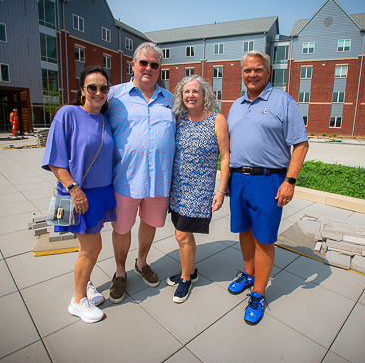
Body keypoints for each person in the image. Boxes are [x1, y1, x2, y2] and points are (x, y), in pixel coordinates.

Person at [227, 50, 309, 325]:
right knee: (245, 231)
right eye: (247, 70)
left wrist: (290, 181)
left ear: (268, 72)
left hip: (269, 180)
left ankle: (259, 293)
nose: (252, 74)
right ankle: (249, 273)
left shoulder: (283, 101)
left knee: (264, 238)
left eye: (258, 69)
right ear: (242, 73)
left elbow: (301, 143)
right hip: (238, 179)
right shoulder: (236, 105)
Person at [42, 65, 116, 323]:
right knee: (92, 247)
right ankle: (78, 301)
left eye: (103, 88)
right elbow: (55, 159)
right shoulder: (68, 114)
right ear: (82, 90)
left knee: (88, 247)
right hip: (80, 193)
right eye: (92, 87)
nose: (98, 92)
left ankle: (86, 285)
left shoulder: (105, 118)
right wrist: (74, 189)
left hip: (102, 192)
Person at [106, 42, 175, 303]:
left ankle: (142, 262)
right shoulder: (114, 96)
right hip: (125, 180)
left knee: (149, 224)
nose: (148, 68)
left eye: (154, 64)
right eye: (143, 63)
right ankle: (120, 271)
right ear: (133, 65)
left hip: (158, 181)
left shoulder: (170, 100)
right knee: (122, 228)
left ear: (160, 69)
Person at [165, 75, 230, 303]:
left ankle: (186, 278)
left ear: (205, 95)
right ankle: (190, 270)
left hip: (199, 191)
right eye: (186, 92)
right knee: (183, 234)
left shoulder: (217, 120)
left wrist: (221, 191)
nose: (190, 95)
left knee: (182, 235)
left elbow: (225, 156)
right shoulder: (179, 118)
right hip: (178, 190)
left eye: (195, 91)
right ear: (181, 96)